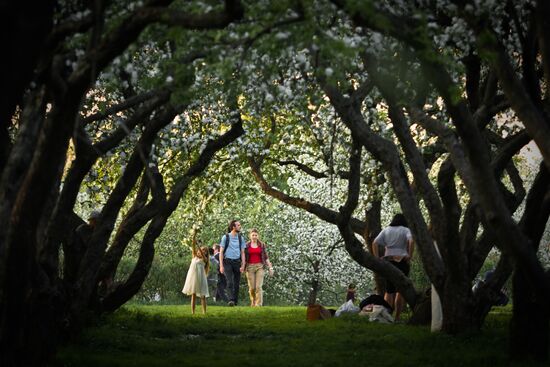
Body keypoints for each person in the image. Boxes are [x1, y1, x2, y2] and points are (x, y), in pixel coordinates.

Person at [372, 213, 414, 321]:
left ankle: (386, 317)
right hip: (402, 261)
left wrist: (377, 259)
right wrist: (410, 255)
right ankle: (397, 317)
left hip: (388, 262)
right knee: (401, 290)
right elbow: (411, 240)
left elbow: (374, 243)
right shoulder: (405, 230)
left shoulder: (386, 230)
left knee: (389, 290)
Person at [181, 233, 210, 314]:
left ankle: (204, 312)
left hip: (201, 278)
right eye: (201, 250)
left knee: (202, 296)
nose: (201, 251)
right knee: (193, 295)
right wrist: (194, 236)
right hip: (193, 278)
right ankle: (193, 312)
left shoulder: (205, 259)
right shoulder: (194, 256)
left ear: (206, 253)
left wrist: (198, 245)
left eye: (204, 251)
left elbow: (198, 248)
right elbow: (193, 245)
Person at [219, 220, 246, 306]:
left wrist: (243, 265)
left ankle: (235, 301)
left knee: (237, 283)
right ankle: (231, 300)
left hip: (237, 262)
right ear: (233, 227)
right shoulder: (225, 237)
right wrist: (221, 266)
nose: (240, 226)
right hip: (227, 262)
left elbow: (242, 253)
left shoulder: (240, 238)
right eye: (238, 225)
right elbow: (221, 252)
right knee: (230, 282)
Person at [245, 228, 274, 307]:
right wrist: (242, 266)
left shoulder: (262, 245)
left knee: (258, 287)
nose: (254, 237)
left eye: (256, 235)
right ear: (250, 236)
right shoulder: (246, 245)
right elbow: (243, 257)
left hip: (259, 266)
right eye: (253, 235)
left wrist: (270, 267)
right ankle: (253, 302)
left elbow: (266, 257)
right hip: (249, 267)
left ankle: (258, 304)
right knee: (252, 288)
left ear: (258, 236)